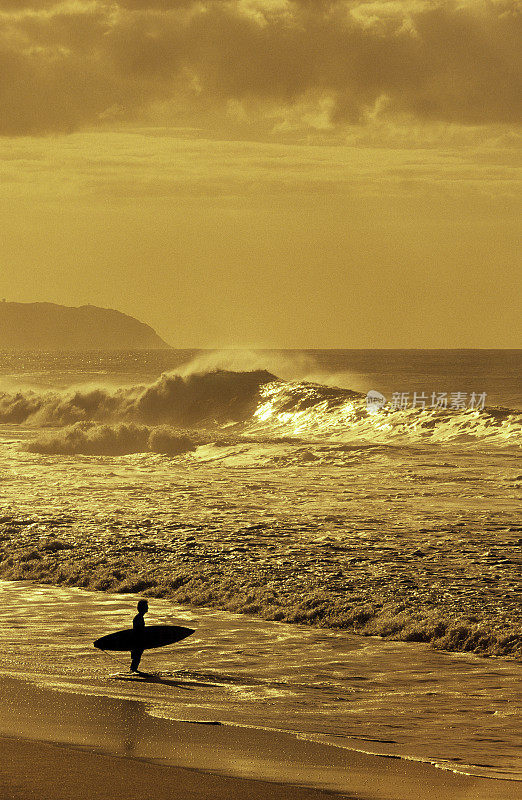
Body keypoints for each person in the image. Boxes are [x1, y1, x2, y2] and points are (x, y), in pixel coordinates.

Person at [130, 599, 148, 673]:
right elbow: (138, 630)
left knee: (137, 656)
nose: (148, 608)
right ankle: (133, 670)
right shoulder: (138, 618)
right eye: (146, 606)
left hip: (138, 640)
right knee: (136, 656)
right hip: (137, 640)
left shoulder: (139, 617)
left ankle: (133, 669)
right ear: (142, 608)